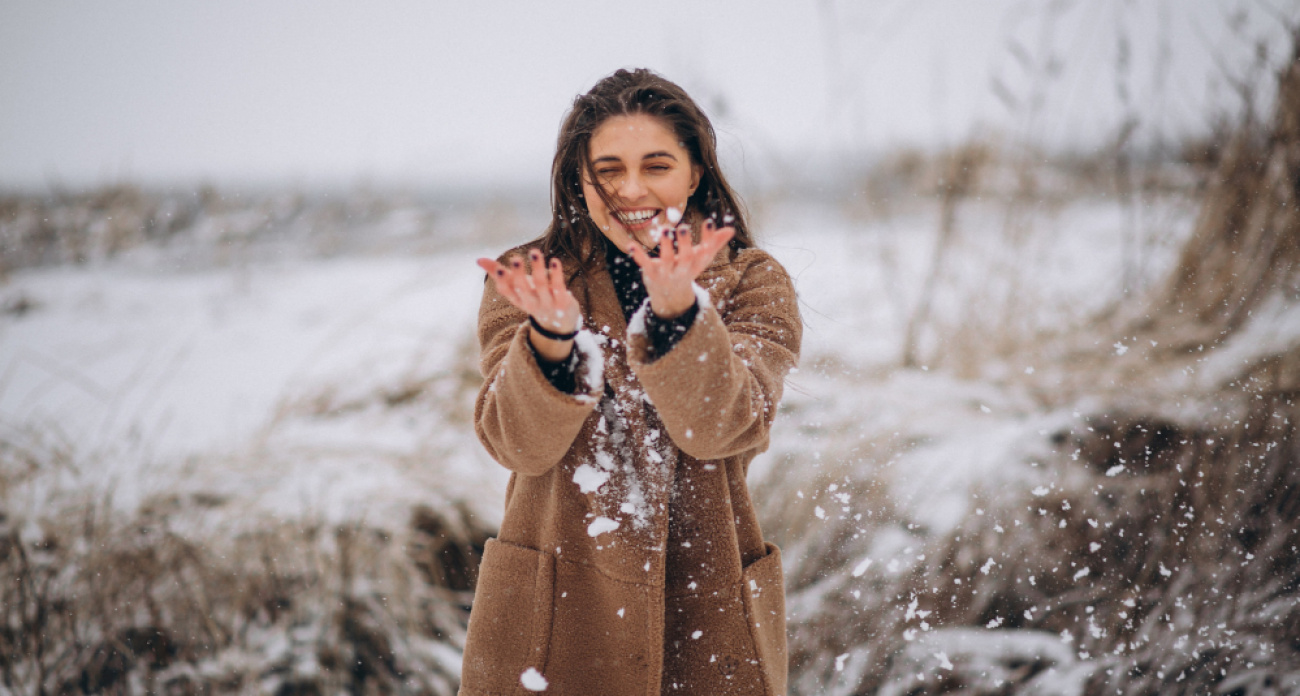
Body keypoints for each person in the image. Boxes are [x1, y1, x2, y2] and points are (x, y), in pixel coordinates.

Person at [461, 68, 801, 696]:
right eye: (609, 169)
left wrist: (679, 316)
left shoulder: (753, 281)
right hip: (555, 618)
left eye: (657, 164)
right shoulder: (531, 280)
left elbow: (725, 428)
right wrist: (552, 342)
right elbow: (518, 446)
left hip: (709, 607)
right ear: (579, 179)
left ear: (695, 171)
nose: (632, 188)